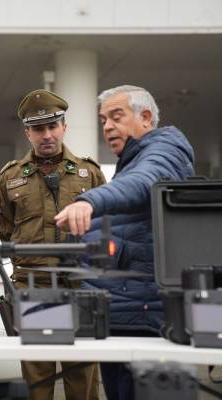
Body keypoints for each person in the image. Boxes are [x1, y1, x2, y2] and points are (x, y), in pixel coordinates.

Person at [54, 85, 195, 400]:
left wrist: (89, 202)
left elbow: (144, 182)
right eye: (103, 119)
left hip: (146, 322)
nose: (107, 127)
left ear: (145, 117)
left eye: (116, 117)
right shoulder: (132, 161)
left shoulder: (165, 149)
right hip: (122, 316)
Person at [0, 89, 105, 400]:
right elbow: (5, 229)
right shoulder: (10, 177)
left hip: (80, 285)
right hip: (34, 286)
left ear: (64, 127)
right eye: (38, 128)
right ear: (27, 133)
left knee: (82, 377)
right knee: (38, 378)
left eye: (53, 126)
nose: (47, 135)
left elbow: (104, 226)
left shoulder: (89, 173)